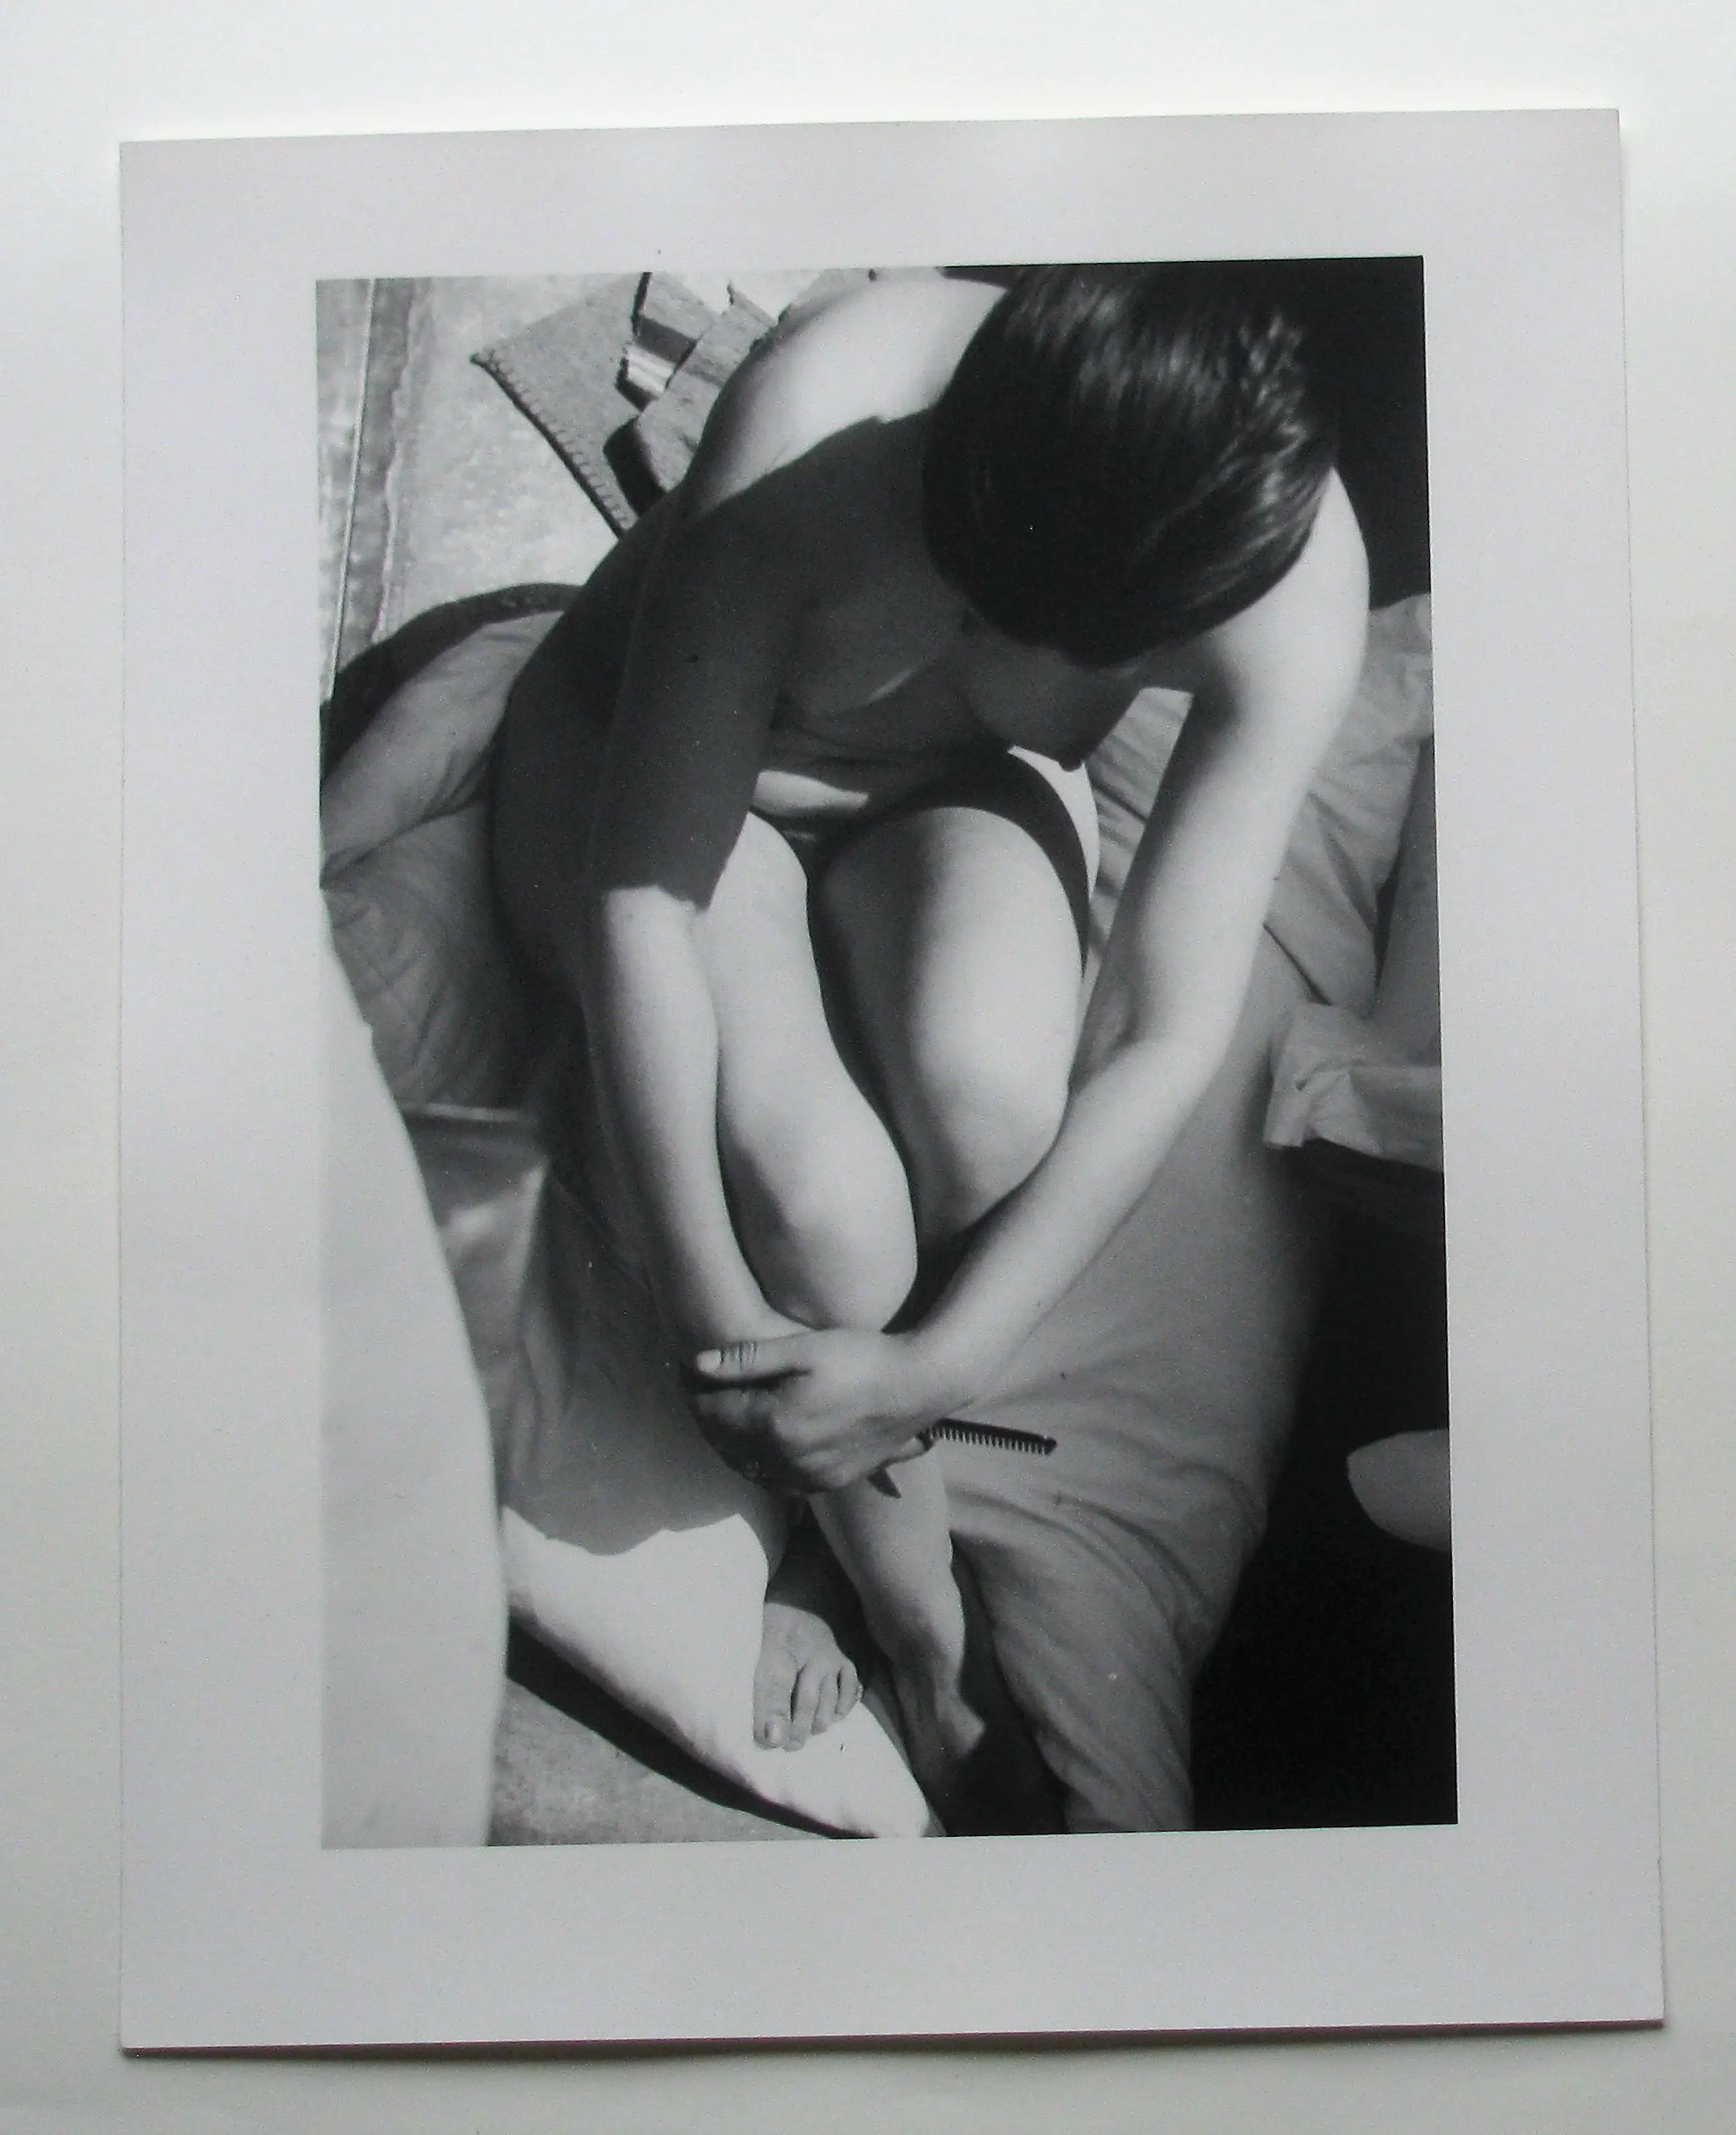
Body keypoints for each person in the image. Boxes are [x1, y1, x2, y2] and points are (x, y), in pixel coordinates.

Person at [493, 264, 1369, 1831]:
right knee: (824, 1216)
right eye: (974, 597)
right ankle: (920, 1624)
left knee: (993, 1114)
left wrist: (942, 1368)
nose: (1008, 644)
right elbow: (645, 908)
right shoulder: (817, 422)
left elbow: (1162, 1026)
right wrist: (712, 1322)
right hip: (656, 783)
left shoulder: (1285, 584)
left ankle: (845, 1506)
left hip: (942, 798)